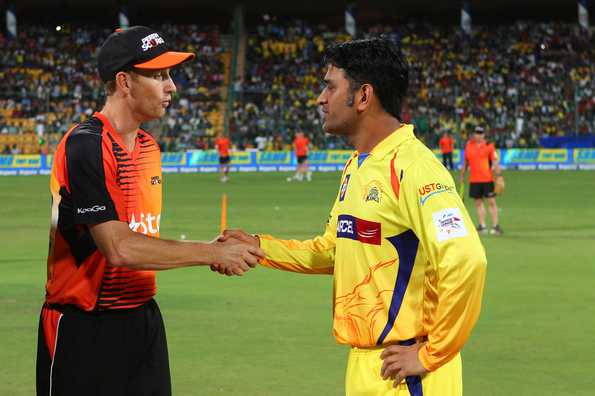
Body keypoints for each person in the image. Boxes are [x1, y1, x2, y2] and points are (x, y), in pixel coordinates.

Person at [220, 38, 487, 396]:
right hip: (366, 366)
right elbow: (333, 251)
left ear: (363, 96)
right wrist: (259, 247)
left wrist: (432, 352)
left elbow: (467, 259)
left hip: (408, 374)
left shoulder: (415, 168)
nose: (320, 98)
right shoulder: (356, 166)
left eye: (330, 86)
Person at [36, 26, 264, 396]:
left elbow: (140, 237)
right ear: (124, 82)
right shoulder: (86, 145)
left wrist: (214, 248)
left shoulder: (149, 148)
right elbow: (119, 247)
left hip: (142, 322)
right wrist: (211, 252)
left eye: (169, 74)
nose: (172, 86)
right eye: (159, 76)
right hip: (83, 328)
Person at [459, 126, 504, 235]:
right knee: (478, 203)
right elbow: (466, 163)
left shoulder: (489, 146)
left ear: (484, 134)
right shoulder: (469, 146)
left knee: (491, 202)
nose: (478, 135)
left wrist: (499, 176)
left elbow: (495, 162)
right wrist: (462, 175)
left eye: (481, 133)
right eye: (477, 133)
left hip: (487, 179)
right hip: (474, 180)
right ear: (474, 134)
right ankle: (482, 225)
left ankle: (495, 226)